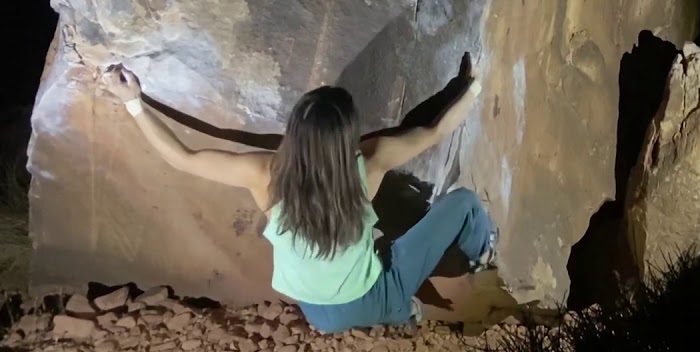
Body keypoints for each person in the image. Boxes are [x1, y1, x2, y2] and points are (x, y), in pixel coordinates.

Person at [98, 61, 498, 334]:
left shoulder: (265, 175)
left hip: (313, 311)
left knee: (373, 256)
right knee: (462, 204)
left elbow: (182, 159)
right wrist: (475, 86)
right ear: (347, 137)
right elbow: (434, 132)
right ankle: (466, 266)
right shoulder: (371, 163)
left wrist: (133, 101)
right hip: (368, 300)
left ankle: (399, 309)